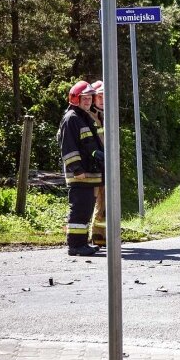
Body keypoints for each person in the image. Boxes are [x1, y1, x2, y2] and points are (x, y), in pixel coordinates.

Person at [58, 81, 104, 256]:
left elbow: (87, 145)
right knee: (79, 210)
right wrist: (77, 169)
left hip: (89, 174)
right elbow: (68, 147)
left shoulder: (82, 117)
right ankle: (75, 246)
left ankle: (82, 244)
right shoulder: (71, 118)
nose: (88, 101)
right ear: (75, 98)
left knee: (85, 210)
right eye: (84, 98)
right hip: (80, 174)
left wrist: (97, 155)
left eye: (89, 98)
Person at [88, 80, 106, 247]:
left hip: (106, 165)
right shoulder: (88, 115)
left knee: (104, 200)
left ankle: (99, 236)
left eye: (104, 96)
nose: (101, 99)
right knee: (89, 200)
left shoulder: (106, 115)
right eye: (99, 96)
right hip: (91, 166)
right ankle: (83, 237)